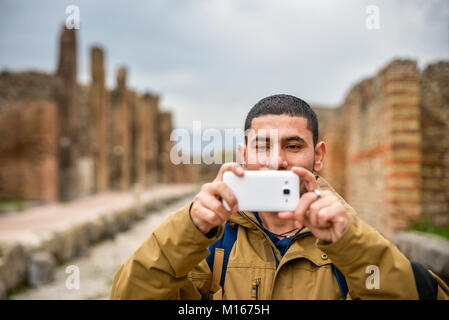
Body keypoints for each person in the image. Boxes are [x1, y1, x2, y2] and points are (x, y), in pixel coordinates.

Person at [110, 94, 449, 300]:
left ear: (318, 156)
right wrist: (189, 228)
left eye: (292, 145)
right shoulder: (210, 245)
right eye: (263, 146)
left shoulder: (352, 239)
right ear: (244, 155)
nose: (276, 161)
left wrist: (350, 243)